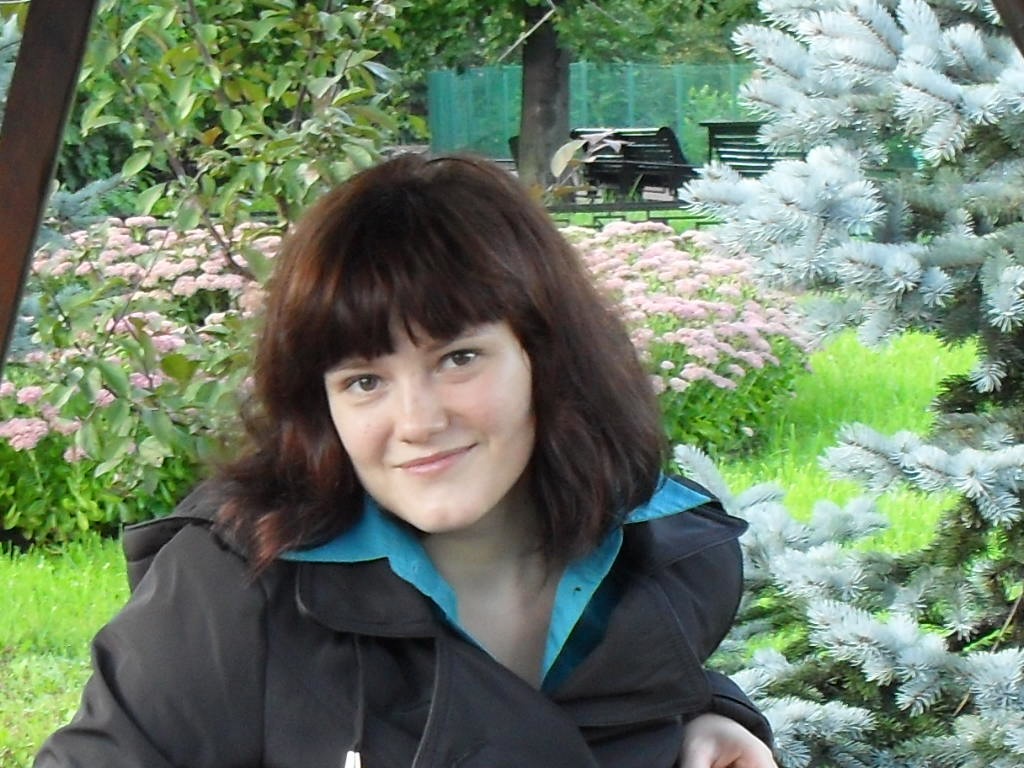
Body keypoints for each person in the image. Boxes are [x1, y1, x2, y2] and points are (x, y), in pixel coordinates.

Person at [35, 153, 777, 768]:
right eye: (365, 380)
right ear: (321, 406)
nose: (419, 422)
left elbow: (596, 704)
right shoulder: (236, 587)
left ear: (544, 357)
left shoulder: (665, 552)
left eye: (458, 358)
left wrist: (709, 715)